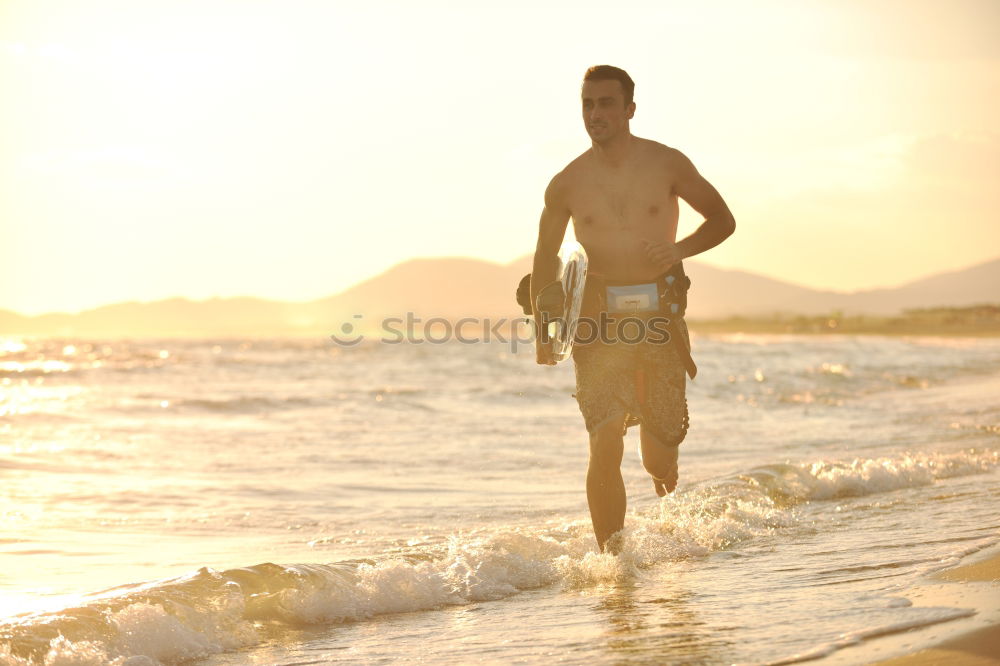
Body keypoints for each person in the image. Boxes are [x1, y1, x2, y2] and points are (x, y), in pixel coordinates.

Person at [529, 65, 735, 553]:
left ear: (629, 109)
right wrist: (545, 329)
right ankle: (613, 563)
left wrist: (679, 250)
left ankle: (664, 454)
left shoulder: (667, 164)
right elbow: (544, 257)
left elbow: (723, 220)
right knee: (604, 440)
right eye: (587, 104)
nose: (595, 113)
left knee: (657, 462)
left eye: (605, 103)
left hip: (659, 317)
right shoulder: (566, 183)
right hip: (597, 322)